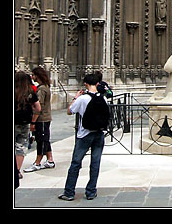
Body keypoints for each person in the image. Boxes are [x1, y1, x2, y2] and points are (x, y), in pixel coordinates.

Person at [58, 73, 108, 201]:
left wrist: (75, 98)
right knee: (95, 164)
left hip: (84, 134)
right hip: (99, 134)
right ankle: (91, 191)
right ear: (97, 84)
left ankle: (69, 192)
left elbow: (70, 111)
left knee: (76, 163)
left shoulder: (82, 99)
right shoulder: (103, 98)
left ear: (85, 84)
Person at [23, 67, 55, 172]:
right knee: (45, 138)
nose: (32, 77)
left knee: (41, 140)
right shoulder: (45, 87)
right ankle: (50, 160)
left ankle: (37, 162)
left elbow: (38, 107)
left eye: (33, 75)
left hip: (41, 119)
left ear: (38, 76)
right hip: (46, 117)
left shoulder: (41, 89)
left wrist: (33, 121)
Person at [15, 71, 41, 179]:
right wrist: (33, 120)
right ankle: (17, 171)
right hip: (24, 123)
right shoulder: (30, 92)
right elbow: (38, 108)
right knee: (21, 146)